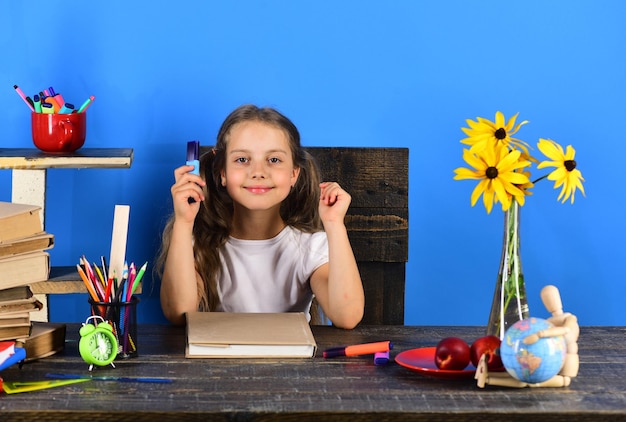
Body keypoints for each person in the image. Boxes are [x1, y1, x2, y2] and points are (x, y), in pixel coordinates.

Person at [156, 104, 365, 329]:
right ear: (222, 172)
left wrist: (334, 225)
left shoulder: (311, 248)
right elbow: (178, 313)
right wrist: (184, 223)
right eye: (242, 160)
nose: (258, 172)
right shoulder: (199, 244)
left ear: (294, 173)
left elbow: (347, 316)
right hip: (218, 362)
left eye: (274, 160)